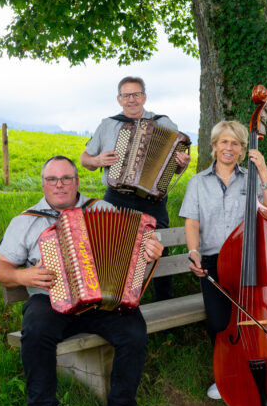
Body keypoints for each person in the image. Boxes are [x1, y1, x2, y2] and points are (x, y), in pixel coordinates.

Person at [0, 155, 164, 406]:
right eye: (52, 180)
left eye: (66, 179)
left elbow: (136, 252)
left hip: (103, 300)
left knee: (134, 334)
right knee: (34, 332)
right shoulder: (26, 221)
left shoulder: (102, 209)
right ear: (43, 183)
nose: (59, 185)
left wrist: (151, 251)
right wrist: (23, 274)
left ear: (77, 181)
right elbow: (1, 271)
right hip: (49, 300)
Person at [178, 120, 267, 400]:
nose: (229, 147)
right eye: (224, 142)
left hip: (249, 260)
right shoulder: (198, 182)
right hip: (213, 261)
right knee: (219, 323)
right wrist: (194, 253)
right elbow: (191, 222)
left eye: (235, 143)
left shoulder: (251, 178)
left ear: (242, 149)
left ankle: (259, 371)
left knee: (252, 318)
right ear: (214, 146)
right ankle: (227, 376)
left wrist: (263, 171)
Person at [80, 76, 190, 301]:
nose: (132, 100)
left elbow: (174, 169)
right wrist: (98, 160)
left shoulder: (164, 123)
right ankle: (113, 297)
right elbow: (85, 159)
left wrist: (182, 165)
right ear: (119, 99)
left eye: (136, 94)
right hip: (116, 196)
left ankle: (164, 300)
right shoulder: (108, 124)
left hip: (153, 199)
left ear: (144, 97)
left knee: (159, 243)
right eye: (126, 95)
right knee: (113, 245)